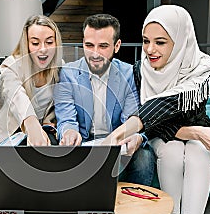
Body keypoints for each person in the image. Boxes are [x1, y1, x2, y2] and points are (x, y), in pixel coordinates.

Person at [103, 5, 210, 214]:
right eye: (146, 41)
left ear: (180, 40)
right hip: (166, 135)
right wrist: (193, 132)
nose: (150, 50)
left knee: (197, 155)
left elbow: (169, 103)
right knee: (173, 153)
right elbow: (156, 122)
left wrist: (197, 133)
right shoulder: (140, 70)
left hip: (200, 133)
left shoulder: (206, 70)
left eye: (160, 42)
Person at [54, 13, 155, 186]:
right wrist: (69, 133)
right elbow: (66, 119)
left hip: (116, 142)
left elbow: (132, 118)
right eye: (89, 45)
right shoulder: (68, 73)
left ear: (117, 46)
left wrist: (133, 138)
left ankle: (136, 208)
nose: (95, 54)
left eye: (103, 46)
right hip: (83, 142)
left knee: (144, 157)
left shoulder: (129, 73)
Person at [0, 14, 63, 145]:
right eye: (35, 43)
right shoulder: (11, 65)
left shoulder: (59, 67)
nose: (43, 49)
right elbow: (17, 97)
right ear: (27, 44)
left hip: (45, 133)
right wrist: (32, 126)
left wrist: (49, 121)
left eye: (49, 42)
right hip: (13, 134)